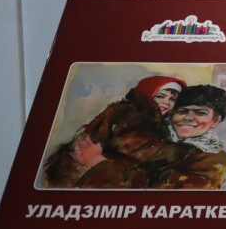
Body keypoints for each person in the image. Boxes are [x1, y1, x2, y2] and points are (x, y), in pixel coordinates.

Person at [42, 74, 187, 188]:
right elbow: (137, 148)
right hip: (88, 173)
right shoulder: (131, 113)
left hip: (102, 170)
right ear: (146, 95)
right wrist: (186, 152)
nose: (167, 102)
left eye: (172, 99)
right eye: (160, 96)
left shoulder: (152, 118)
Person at [151, 84, 226, 189]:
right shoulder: (155, 139)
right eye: (182, 111)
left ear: (215, 120)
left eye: (200, 113)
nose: (188, 118)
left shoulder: (215, 159)